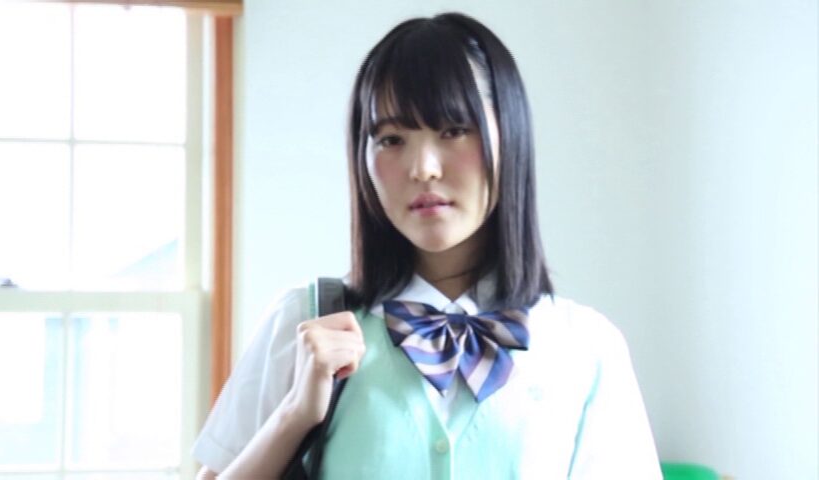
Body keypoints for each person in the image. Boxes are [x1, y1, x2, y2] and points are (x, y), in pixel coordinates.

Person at [193, 12, 661, 479]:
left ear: (510, 137)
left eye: (453, 130)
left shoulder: (584, 346)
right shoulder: (304, 321)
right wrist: (293, 416)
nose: (423, 168)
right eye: (392, 139)